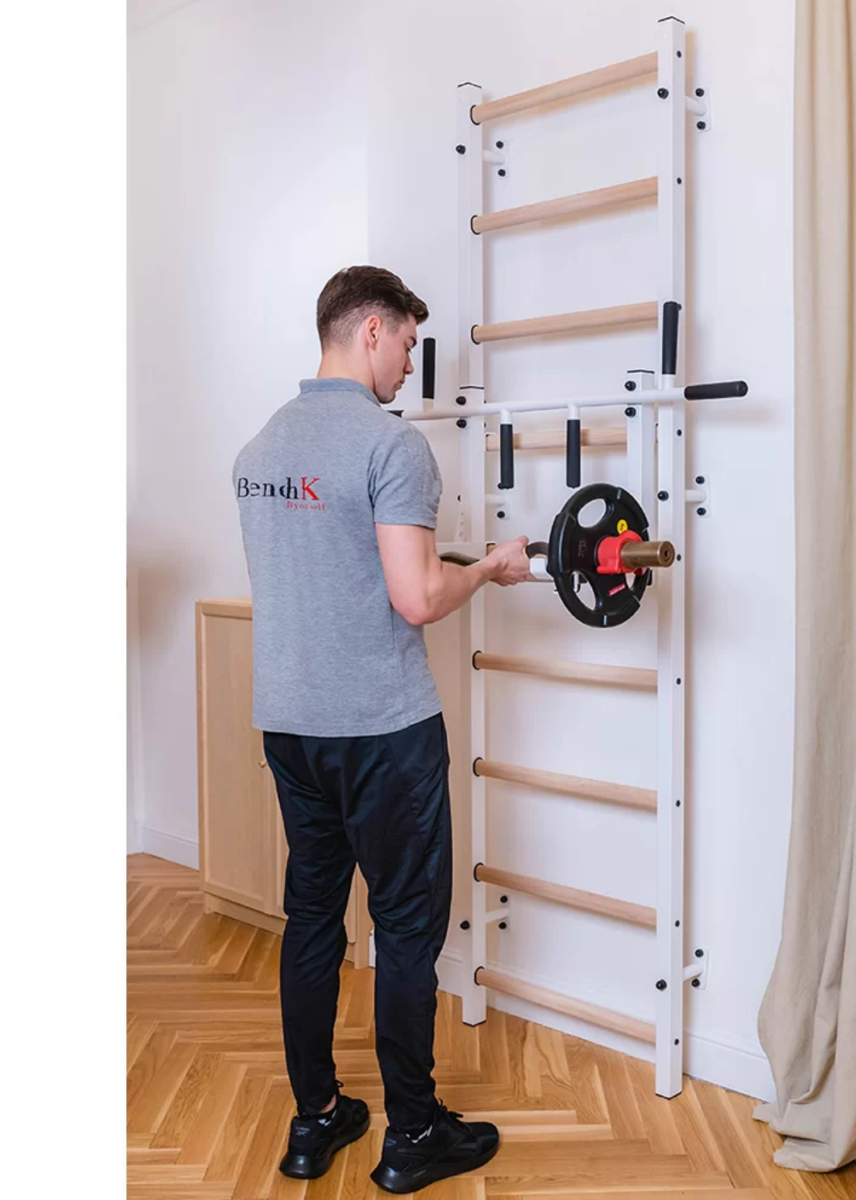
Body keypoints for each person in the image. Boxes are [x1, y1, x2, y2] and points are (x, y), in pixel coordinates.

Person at [233, 265, 530, 1193]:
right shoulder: (389, 447)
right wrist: (485, 570)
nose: (408, 363)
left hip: (291, 729)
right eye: (404, 342)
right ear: (370, 329)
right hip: (382, 734)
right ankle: (411, 1136)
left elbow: (327, 572)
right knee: (405, 929)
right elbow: (415, 599)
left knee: (313, 919)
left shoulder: (257, 451)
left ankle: (315, 1121)